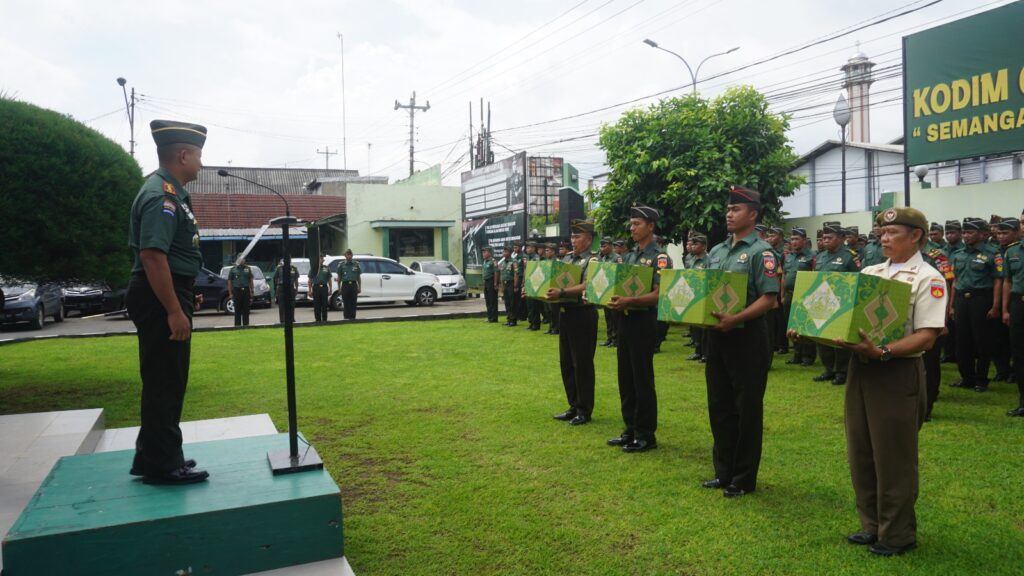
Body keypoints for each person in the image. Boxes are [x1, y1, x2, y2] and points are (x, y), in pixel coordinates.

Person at [833, 207, 946, 557]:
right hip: (862, 369)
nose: (884, 237)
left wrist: (882, 351)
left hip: (896, 372)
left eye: (893, 232)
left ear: (917, 236)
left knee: (893, 456)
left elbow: (927, 336)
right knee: (861, 450)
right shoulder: (871, 271)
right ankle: (871, 525)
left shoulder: (929, 277)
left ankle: (897, 534)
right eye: (881, 232)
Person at [125, 119, 210, 485]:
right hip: (160, 297)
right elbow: (153, 257)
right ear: (183, 154)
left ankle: (152, 456)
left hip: (168, 291)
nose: (202, 164)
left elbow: (171, 256)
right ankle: (163, 466)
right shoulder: (163, 195)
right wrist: (175, 309)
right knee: (166, 381)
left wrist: (187, 291)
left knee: (161, 378)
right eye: (199, 156)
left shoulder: (171, 191)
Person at [701, 186, 779, 498]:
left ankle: (743, 478)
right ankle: (723, 472)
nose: (729, 214)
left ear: (753, 214)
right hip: (717, 336)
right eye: (728, 209)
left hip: (747, 336)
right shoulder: (717, 251)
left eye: (736, 209)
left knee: (746, 407)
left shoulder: (762, 252)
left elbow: (769, 299)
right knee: (718, 404)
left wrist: (737, 318)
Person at [605, 204, 670, 453]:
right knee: (626, 376)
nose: (632, 228)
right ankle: (629, 428)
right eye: (631, 224)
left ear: (651, 226)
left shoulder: (660, 257)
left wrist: (630, 301)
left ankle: (645, 434)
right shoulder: (630, 256)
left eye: (637, 224)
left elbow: (659, 293)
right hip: (626, 319)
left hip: (644, 321)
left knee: (642, 378)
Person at [549, 220, 600, 426]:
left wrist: (561, 292)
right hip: (567, 313)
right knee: (567, 362)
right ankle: (573, 404)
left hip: (583, 313)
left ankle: (584, 409)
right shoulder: (568, 259)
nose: (573, 241)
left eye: (577, 237)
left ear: (588, 239)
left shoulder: (593, 260)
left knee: (582, 364)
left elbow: (588, 284)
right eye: (572, 237)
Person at [950, 218, 1001, 392]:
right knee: (962, 340)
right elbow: (955, 281)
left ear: (981, 234)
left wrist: (995, 306)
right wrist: (951, 306)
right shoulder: (959, 254)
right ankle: (967, 377)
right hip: (961, 299)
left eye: (970, 232)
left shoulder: (992, 254)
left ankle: (981, 379)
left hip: (981, 299)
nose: (966, 236)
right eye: (964, 232)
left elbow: (997, 282)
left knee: (982, 340)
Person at [812, 221, 862, 385]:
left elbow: (858, 280)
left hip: (842, 304)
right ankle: (828, 369)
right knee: (822, 338)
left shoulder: (850, 257)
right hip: (822, 302)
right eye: (824, 238)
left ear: (841, 238)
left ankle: (841, 371)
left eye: (829, 238)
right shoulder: (819, 257)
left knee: (839, 340)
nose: (825, 241)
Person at [783, 228, 817, 367]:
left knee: (805, 326)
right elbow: (784, 275)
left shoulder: (812, 256)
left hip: (805, 296)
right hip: (789, 295)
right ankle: (796, 354)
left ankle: (808, 356)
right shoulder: (788, 256)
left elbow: (815, 275)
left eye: (797, 239)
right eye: (792, 239)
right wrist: (782, 295)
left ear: (804, 240)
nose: (794, 242)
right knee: (792, 325)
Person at [1003, 214, 1024, 416]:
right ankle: (1023, 401)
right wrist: (1005, 309)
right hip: (1019, 304)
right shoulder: (1013, 251)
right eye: (1023, 223)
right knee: (1019, 353)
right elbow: (1007, 281)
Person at [941, 220, 963, 363]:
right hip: (943, 286)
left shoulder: (964, 249)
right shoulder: (942, 251)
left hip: (958, 288)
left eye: (952, 232)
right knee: (946, 323)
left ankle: (960, 353)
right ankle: (948, 353)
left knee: (959, 326)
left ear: (960, 233)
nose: (949, 235)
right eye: (947, 233)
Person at [687, 233, 709, 363]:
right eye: (692, 244)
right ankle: (697, 351)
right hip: (693, 296)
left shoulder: (708, 259)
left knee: (704, 328)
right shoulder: (691, 260)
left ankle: (706, 353)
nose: (693, 247)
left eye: (696, 244)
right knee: (695, 327)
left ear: (704, 246)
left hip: (704, 297)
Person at [766, 226, 787, 355]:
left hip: (779, 288)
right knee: (773, 320)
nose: (770, 238)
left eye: (773, 236)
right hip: (772, 286)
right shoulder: (770, 251)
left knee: (781, 319)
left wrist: (780, 293)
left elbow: (781, 274)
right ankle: (774, 344)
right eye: (769, 236)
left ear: (780, 237)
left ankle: (783, 345)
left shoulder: (784, 252)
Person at [598, 236, 616, 346]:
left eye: (604, 246)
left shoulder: (616, 258)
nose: (602, 248)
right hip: (605, 290)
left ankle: (615, 339)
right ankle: (609, 338)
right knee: (608, 317)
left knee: (614, 318)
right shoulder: (603, 258)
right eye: (601, 246)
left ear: (610, 245)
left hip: (613, 291)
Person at [227, 257, 254, 327]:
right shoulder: (233, 269)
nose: (243, 260)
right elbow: (230, 282)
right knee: (237, 309)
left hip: (246, 290)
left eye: (244, 259)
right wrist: (230, 293)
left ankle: (246, 325)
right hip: (237, 290)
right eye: (241, 259)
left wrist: (252, 290)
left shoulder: (248, 269)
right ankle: (237, 326)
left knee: (246, 309)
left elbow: (250, 280)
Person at [337, 249, 361, 320]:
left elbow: (358, 277)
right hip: (345, 285)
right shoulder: (341, 265)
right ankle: (346, 318)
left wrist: (359, 287)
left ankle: (353, 317)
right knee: (346, 302)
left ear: (352, 255)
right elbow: (339, 278)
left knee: (353, 302)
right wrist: (339, 288)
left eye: (350, 254)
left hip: (353, 285)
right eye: (348, 254)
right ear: (345, 256)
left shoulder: (356, 264)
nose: (349, 256)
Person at [499, 245, 519, 327]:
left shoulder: (514, 261)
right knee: (507, 302)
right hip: (505, 284)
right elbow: (502, 274)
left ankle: (513, 320)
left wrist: (515, 286)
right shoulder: (503, 262)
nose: (504, 253)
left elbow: (516, 274)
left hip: (511, 283)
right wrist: (502, 286)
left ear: (510, 253)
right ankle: (508, 319)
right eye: (503, 251)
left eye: (506, 251)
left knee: (512, 303)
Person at [274, 259, 298, 324]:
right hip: (282, 287)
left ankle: (292, 318)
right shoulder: (279, 268)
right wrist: (278, 284)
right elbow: (275, 277)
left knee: (292, 304)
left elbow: (296, 279)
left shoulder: (293, 268)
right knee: (281, 304)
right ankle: (282, 319)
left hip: (291, 287)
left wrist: (296, 288)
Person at [544, 243, 560, 335]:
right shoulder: (546, 261)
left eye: (548, 250)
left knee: (554, 310)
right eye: (546, 250)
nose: (546, 252)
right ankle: (551, 327)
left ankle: (556, 328)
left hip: (553, 288)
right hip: (546, 287)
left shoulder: (557, 261)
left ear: (553, 251)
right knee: (548, 310)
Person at [310, 255, 332, 323]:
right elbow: (310, 280)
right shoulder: (313, 268)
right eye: (320, 259)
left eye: (322, 259)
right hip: (316, 287)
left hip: (324, 287)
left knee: (324, 304)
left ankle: (324, 319)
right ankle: (317, 319)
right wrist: (309, 290)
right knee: (317, 304)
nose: (321, 260)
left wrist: (330, 289)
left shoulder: (326, 268)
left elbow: (329, 279)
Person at [481, 246, 499, 323]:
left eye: (485, 252)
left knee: (492, 300)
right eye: (483, 252)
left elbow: (496, 272)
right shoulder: (485, 261)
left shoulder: (493, 261)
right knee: (488, 300)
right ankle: (489, 317)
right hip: (486, 282)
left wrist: (495, 283)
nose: (483, 254)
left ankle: (494, 318)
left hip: (491, 282)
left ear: (489, 252)